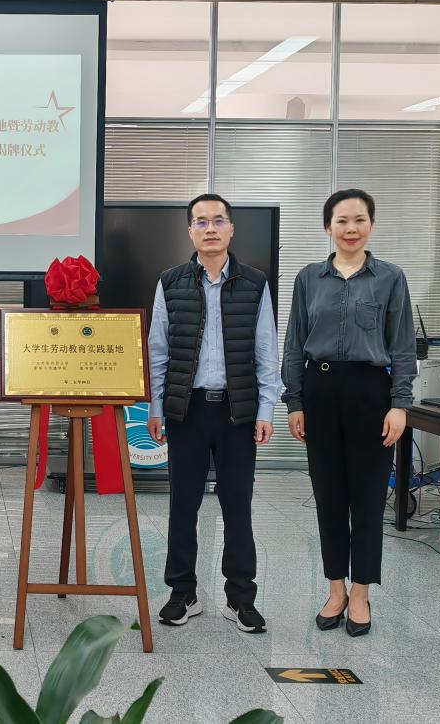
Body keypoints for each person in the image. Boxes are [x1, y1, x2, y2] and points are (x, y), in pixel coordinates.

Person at [283, 188, 416, 637]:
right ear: (328, 227)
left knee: (368, 499)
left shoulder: (390, 278)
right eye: (342, 221)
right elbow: (294, 342)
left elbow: (402, 346)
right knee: (329, 498)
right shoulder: (308, 278)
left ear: (371, 225)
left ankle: (361, 593)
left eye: (359, 220)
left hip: (370, 394)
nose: (351, 228)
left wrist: (400, 404)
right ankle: (335, 589)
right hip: (319, 391)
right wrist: (295, 401)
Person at [146, 194, 281, 634]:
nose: (210, 228)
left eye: (218, 221)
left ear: (231, 229)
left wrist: (266, 409)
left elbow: (266, 351)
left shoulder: (255, 284)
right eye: (201, 222)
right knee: (182, 504)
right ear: (190, 231)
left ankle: (241, 597)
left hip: (236, 413)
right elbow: (158, 351)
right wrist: (156, 406)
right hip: (186, 411)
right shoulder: (170, 282)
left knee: (237, 505)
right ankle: (182, 592)